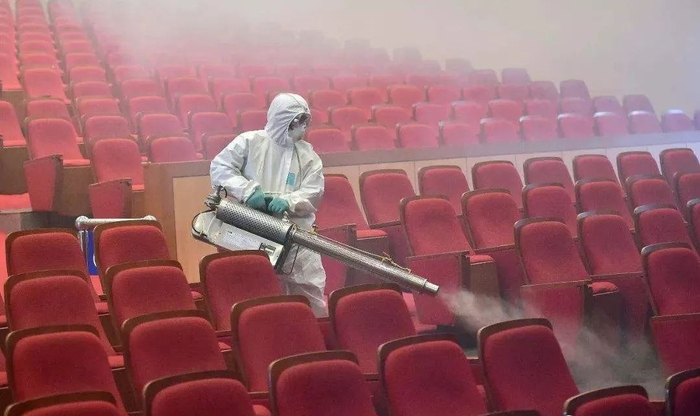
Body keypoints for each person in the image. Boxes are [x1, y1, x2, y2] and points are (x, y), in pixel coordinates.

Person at [210, 93, 327, 317]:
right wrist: (247, 191)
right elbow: (220, 168)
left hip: (297, 237)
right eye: (297, 121)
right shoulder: (250, 142)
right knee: (260, 298)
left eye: (305, 121)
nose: (302, 127)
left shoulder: (308, 155)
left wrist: (289, 201)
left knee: (310, 296)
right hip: (253, 232)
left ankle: (313, 336)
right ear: (281, 118)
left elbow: (314, 191)